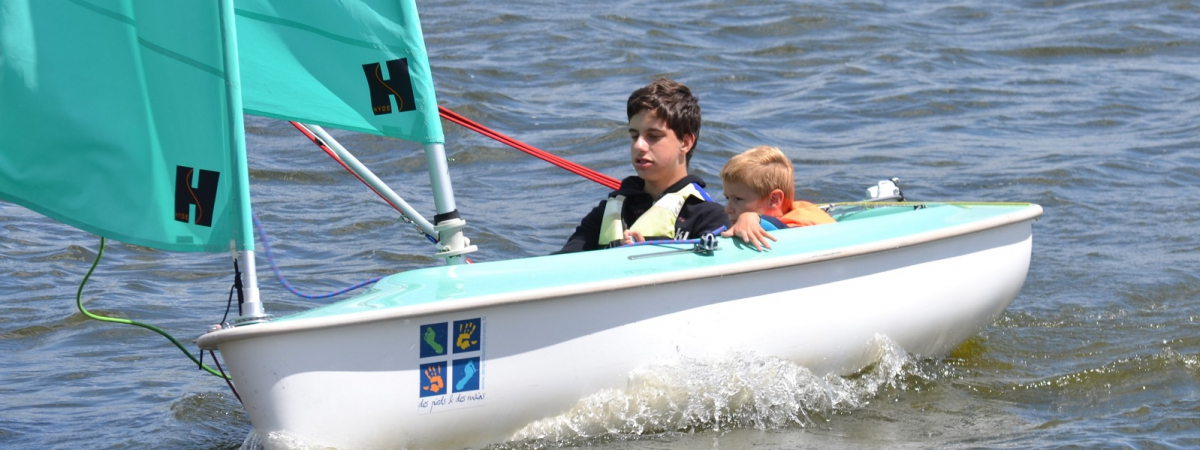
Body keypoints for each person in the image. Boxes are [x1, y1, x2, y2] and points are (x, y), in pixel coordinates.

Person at [555, 78, 730, 253]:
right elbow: (560, 264)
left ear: (685, 142)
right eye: (634, 135)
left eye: (653, 136)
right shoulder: (607, 211)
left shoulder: (708, 217)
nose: (639, 145)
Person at [719, 145, 835, 251]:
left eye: (738, 199)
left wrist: (753, 218)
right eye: (727, 198)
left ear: (774, 199)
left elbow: (783, 229)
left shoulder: (801, 228)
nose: (728, 209)